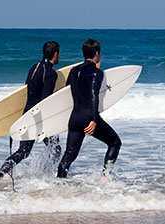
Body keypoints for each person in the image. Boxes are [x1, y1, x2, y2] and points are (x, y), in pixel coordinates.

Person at [0, 41, 62, 178]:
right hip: (40, 118)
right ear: (55, 54)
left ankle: (1, 172)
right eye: (59, 53)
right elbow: (46, 99)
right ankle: (45, 175)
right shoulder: (51, 74)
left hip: (26, 115)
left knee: (24, 151)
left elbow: (26, 89)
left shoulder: (34, 67)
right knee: (56, 149)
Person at [57, 39, 121, 179]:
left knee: (69, 155)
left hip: (74, 119)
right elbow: (93, 96)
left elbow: (66, 92)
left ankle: (58, 184)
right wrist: (93, 120)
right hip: (88, 117)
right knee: (115, 142)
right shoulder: (97, 73)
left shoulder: (73, 71)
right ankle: (105, 178)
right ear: (97, 54)